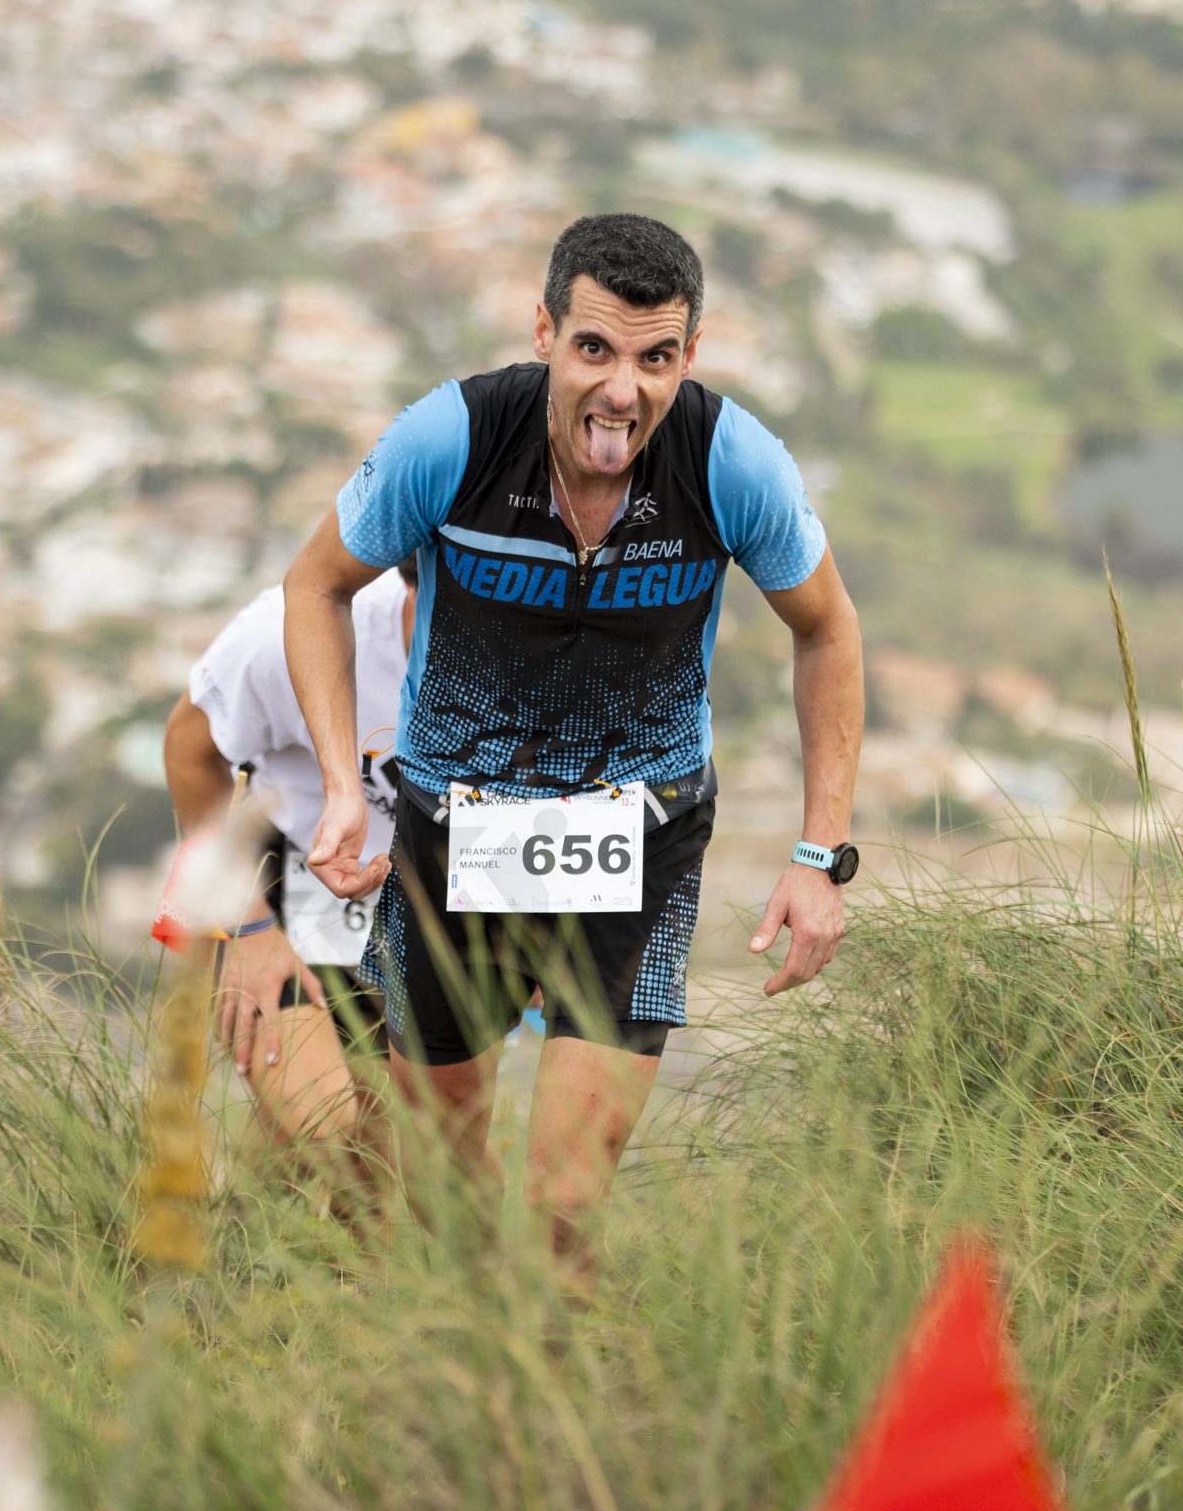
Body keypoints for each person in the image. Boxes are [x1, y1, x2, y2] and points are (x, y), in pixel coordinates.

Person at [282, 212, 863, 1265]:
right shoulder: (452, 439)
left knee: (561, 1204)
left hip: (639, 836)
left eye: (655, 359)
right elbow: (316, 585)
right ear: (544, 331)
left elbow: (826, 628)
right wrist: (337, 785)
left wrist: (820, 855)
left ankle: (562, 1360)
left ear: (690, 353)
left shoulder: (731, 461)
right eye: (594, 348)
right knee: (437, 1182)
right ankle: (464, 1348)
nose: (621, 391)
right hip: (452, 837)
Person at [162, 560, 415, 1171]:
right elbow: (187, 750)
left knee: (389, 1163)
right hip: (280, 893)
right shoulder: (290, 632)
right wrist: (247, 930)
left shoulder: (545, 650)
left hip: (422, 907)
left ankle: (256, 1214)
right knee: (329, 1133)